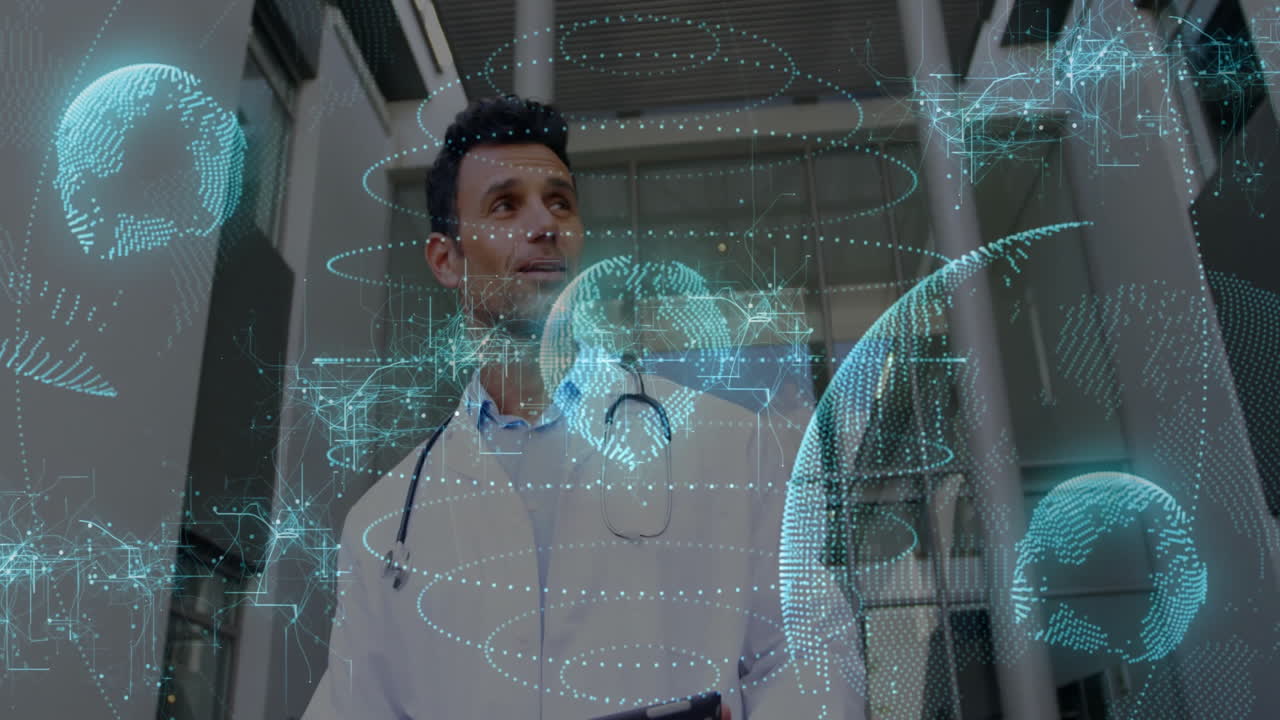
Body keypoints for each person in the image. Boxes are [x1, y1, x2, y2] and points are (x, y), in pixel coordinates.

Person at [302, 95, 863, 719]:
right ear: (446, 259)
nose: (545, 224)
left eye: (560, 202)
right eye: (505, 205)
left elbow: (811, 653)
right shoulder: (384, 524)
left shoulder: (727, 444)